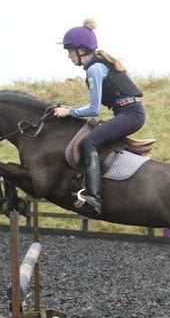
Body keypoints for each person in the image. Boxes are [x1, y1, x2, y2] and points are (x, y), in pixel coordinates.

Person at [53, 18, 145, 214]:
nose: (69, 57)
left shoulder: (95, 69)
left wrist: (69, 111)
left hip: (131, 114)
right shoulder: (98, 65)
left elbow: (94, 109)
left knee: (89, 142)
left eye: (70, 51)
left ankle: (93, 196)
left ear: (81, 50)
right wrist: (71, 108)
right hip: (129, 112)